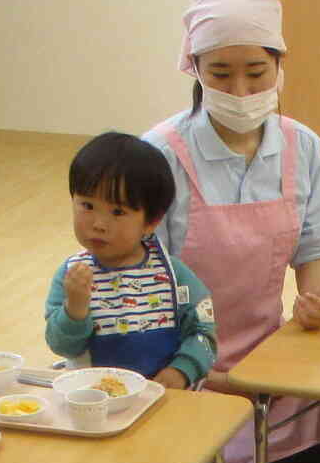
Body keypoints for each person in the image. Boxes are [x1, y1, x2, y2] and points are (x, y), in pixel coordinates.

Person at [144, 0, 320, 463]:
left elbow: (313, 249)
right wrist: (192, 367)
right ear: (193, 67)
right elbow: (141, 276)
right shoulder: (160, 153)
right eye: (220, 73)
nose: (240, 90)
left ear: (280, 65)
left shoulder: (303, 146)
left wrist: (315, 301)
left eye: (256, 73)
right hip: (177, 354)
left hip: (266, 353)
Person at [45, 130, 219, 386]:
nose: (99, 224)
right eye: (87, 206)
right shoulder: (72, 275)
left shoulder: (174, 275)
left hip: (166, 401)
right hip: (94, 404)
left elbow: (204, 333)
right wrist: (75, 308)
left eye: (117, 211)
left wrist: (180, 372)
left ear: (151, 221)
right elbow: (62, 346)